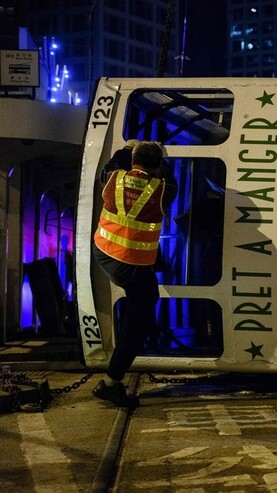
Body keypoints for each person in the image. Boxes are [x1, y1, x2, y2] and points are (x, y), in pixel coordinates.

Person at [91, 141, 177, 407]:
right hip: (131, 265)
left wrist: (128, 147)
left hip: (103, 252)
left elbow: (110, 165)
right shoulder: (162, 190)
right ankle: (111, 383)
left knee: (140, 307)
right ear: (158, 167)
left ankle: (115, 375)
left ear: (132, 161)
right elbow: (171, 178)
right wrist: (159, 157)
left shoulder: (113, 179)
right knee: (140, 321)